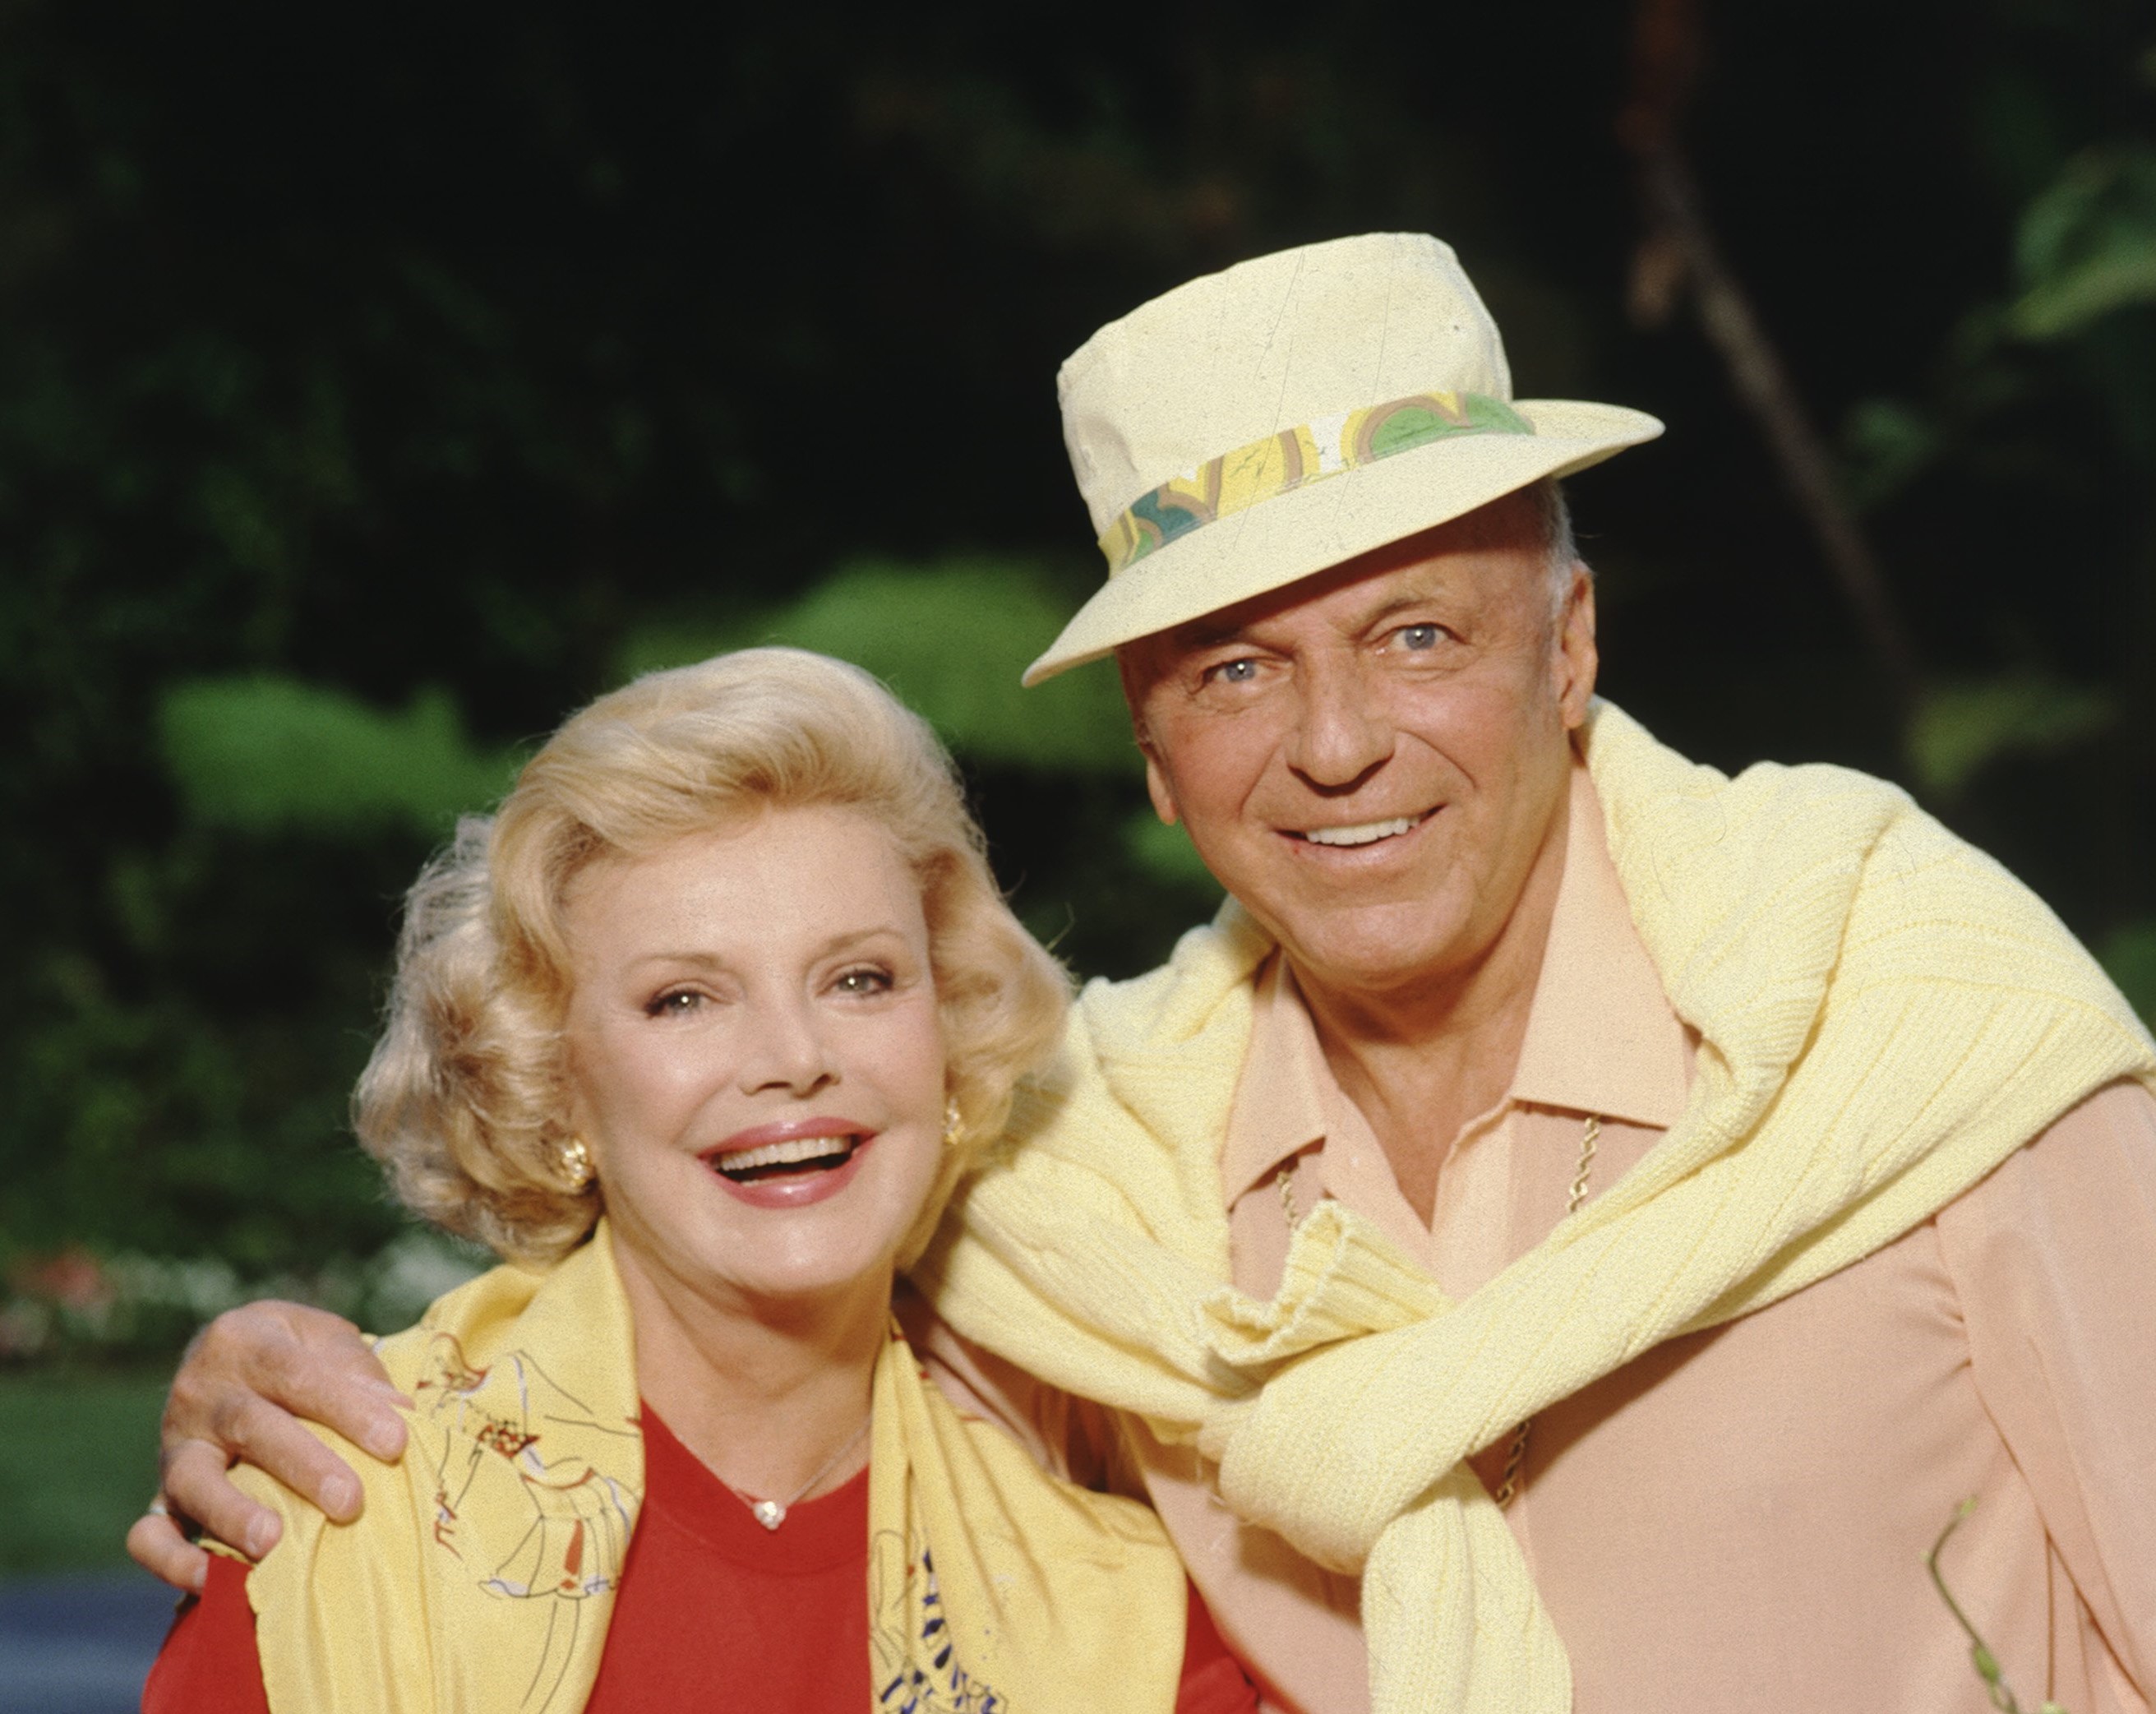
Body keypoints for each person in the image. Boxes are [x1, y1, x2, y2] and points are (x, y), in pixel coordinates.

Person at [138, 235, 2156, 1714]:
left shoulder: (1921, 1030)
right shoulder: (1073, 1186)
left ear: (1570, 646)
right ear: (1153, 757)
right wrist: (276, 1398)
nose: (1337, 741)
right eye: (1234, 668)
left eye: (1421, 636)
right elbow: (713, 1322)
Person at [139, 646, 1258, 1714]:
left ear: (951, 1042)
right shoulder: (333, 1518)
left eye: (860, 978)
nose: (791, 1054)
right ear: (555, 1083)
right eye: (684, 997)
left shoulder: (1121, 1618)